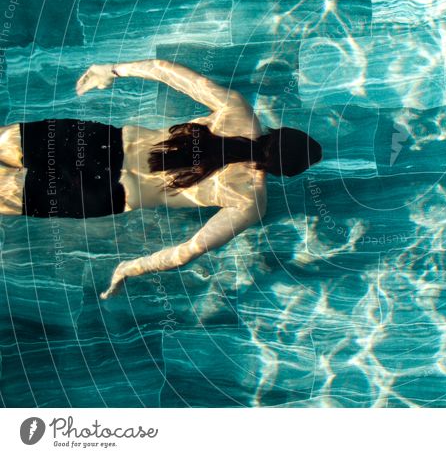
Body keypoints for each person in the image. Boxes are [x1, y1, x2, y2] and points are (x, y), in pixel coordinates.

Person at [0, 60, 322, 299]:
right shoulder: (251, 202)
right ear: (281, 173)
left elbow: (163, 69)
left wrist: (112, 71)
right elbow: (186, 252)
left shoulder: (237, 109)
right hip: (102, 193)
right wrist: (129, 268)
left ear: (280, 132)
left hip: (97, 144)